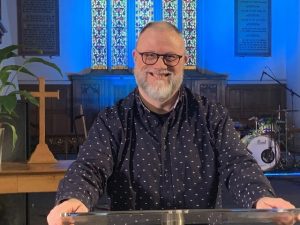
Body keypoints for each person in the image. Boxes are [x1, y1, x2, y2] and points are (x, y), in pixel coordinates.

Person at [47, 21, 298, 225]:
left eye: (170, 57)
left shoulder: (212, 116)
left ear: (183, 61)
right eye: (149, 56)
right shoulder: (113, 120)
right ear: (136, 58)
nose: (160, 65)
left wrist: (261, 197)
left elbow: (238, 164)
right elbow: (90, 167)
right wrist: (73, 199)